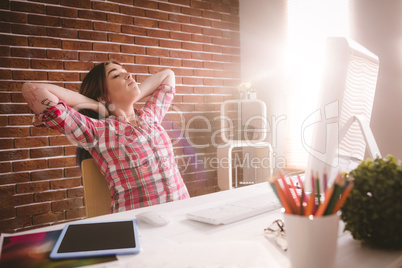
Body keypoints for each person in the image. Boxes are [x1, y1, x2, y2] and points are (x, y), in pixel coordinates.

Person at [22, 61, 190, 213]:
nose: (128, 74)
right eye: (116, 75)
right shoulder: (97, 131)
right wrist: (98, 105)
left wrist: (125, 100)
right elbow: (32, 89)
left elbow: (168, 75)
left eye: (125, 70)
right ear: (103, 95)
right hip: (140, 225)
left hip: (183, 214)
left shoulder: (150, 116)